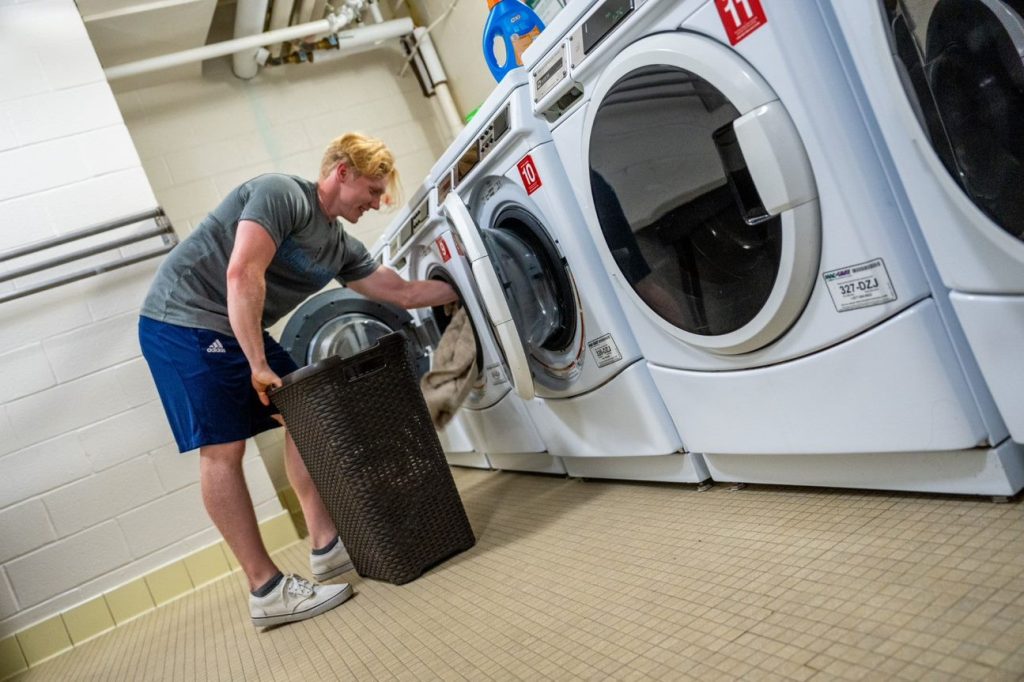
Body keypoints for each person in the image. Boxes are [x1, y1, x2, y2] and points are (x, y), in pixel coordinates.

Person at [137, 133, 457, 628]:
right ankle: (265, 591)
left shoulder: (339, 246)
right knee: (225, 448)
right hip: (182, 318)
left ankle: (326, 546)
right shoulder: (281, 194)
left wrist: (469, 281)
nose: (377, 203)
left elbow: (404, 292)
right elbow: (243, 273)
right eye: (371, 191)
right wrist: (257, 362)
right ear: (341, 171)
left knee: (308, 417)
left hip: (238, 325)